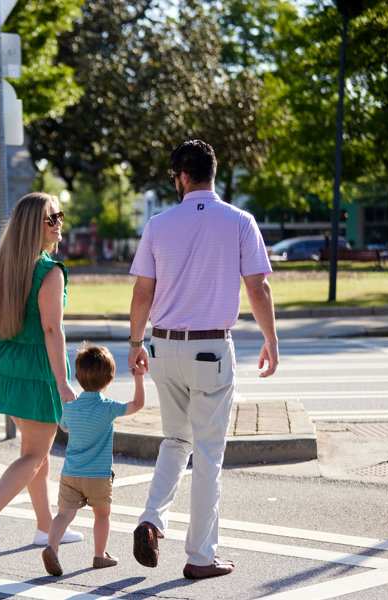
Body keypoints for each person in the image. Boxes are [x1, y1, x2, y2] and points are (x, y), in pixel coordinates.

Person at [127, 140, 279, 580]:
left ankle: (152, 519)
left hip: (163, 346)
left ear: (182, 176)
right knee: (209, 455)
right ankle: (200, 556)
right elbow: (257, 288)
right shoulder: (239, 221)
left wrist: (137, 342)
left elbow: (142, 292)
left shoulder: (158, 224)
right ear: (211, 173)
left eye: (173, 177)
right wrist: (270, 339)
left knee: (175, 440)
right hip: (211, 349)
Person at [0, 192, 83, 557]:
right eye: (52, 218)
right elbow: (52, 330)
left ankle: (46, 526)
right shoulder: (49, 271)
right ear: (35, 226)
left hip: (5, 363)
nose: (59, 222)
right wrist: (64, 383)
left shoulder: (10, 265)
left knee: (37, 450)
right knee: (35, 453)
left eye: (59, 215)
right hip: (36, 369)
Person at [41, 344, 145, 576]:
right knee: (102, 514)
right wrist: (139, 379)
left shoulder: (70, 408)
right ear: (109, 379)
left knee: (63, 514)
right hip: (98, 475)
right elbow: (137, 405)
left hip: (70, 474)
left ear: (78, 377)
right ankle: (99, 555)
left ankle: (52, 547)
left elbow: (63, 427)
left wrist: (67, 403)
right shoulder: (108, 408)